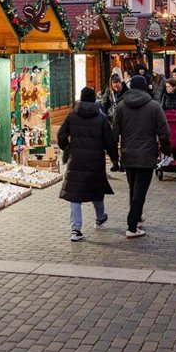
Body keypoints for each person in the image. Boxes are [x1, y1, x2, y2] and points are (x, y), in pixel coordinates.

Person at [58, 87, 118, 242]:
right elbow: (109, 141)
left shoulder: (72, 115)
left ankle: (75, 229)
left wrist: (67, 147)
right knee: (96, 190)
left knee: (75, 196)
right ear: (94, 100)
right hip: (95, 161)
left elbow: (61, 135)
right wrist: (114, 158)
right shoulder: (101, 118)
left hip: (76, 160)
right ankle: (100, 216)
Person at [115, 75, 170, 239]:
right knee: (140, 191)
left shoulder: (121, 106)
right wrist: (167, 150)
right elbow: (164, 131)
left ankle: (136, 217)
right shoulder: (154, 106)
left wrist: (114, 155)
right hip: (147, 154)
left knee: (133, 188)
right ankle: (132, 225)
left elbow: (114, 131)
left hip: (128, 153)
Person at [99, 73, 127, 172]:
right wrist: (106, 116)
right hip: (111, 120)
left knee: (124, 143)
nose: (116, 88)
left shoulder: (126, 92)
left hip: (123, 120)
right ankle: (115, 162)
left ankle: (123, 163)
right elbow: (104, 104)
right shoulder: (109, 92)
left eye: (118, 86)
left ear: (120, 83)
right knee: (112, 143)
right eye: (114, 86)